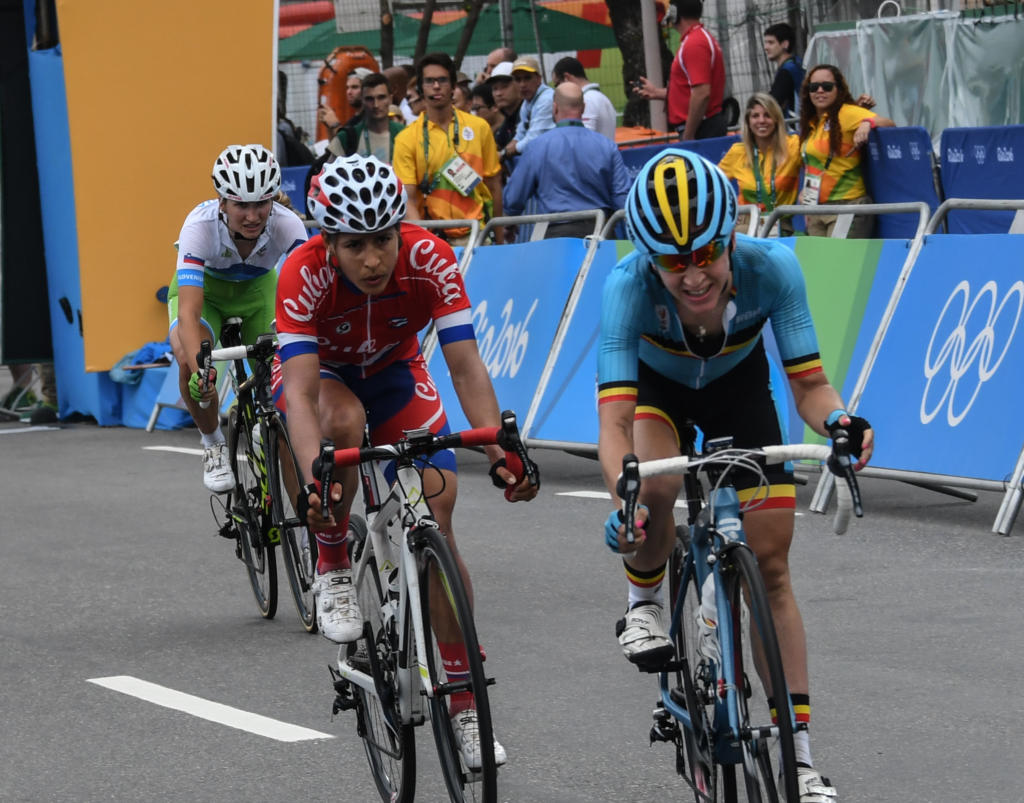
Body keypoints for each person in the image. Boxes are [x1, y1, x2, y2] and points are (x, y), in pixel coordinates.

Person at [597, 150, 874, 803]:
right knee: (657, 486)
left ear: (730, 237)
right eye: (673, 260)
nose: (693, 275)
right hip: (658, 393)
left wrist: (840, 421)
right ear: (648, 258)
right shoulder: (626, 287)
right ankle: (643, 604)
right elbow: (614, 426)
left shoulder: (771, 266)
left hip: (739, 389)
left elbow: (808, 384)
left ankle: (799, 758)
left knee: (772, 567)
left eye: (706, 255)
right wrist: (625, 494)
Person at [273, 153, 538, 767]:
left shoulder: (430, 257)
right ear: (329, 242)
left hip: (395, 372)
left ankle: (466, 706)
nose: (373, 259)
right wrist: (316, 480)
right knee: (343, 424)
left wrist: (501, 447)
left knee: (437, 513)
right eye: (356, 245)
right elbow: (304, 395)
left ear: (400, 230)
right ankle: (334, 562)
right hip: (328, 381)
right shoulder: (302, 273)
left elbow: (466, 367)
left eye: (383, 241)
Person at [168, 145, 307, 492]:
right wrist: (202, 366)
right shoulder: (198, 226)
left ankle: (264, 422)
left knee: (289, 371)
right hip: (208, 297)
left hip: (258, 295)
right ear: (222, 203)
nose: (252, 215)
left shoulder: (288, 224)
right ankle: (212, 442)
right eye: (241, 205)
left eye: (261, 203)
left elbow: (307, 294)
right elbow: (189, 311)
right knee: (190, 360)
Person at [393, 52, 505, 245]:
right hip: (435, 240)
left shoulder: (479, 128)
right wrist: (424, 244)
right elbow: (408, 198)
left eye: (442, 80)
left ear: (454, 86)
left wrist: (500, 240)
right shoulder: (406, 138)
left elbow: (494, 186)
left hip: (479, 235)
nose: (436, 86)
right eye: (429, 81)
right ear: (420, 88)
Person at [503, 83, 630, 238]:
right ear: (583, 108)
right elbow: (622, 199)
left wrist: (509, 221)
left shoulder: (537, 147)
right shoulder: (607, 146)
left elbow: (514, 198)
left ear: (554, 108)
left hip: (557, 237)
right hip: (601, 233)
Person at [798, 64, 895, 238]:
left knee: (838, 264)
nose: (820, 91)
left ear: (839, 89)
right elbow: (814, 165)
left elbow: (889, 123)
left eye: (827, 86)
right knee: (819, 265)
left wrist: (868, 123)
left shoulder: (847, 113)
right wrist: (806, 199)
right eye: (814, 87)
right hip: (816, 209)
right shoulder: (812, 123)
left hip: (848, 206)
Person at [635, 0, 726, 141]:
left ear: (675, 12)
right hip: (703, 127)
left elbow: (702, 93)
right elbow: (692, 91)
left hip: (701, 129)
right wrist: (657, 92)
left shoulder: (694, 43)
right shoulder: (698, 39)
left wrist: (689, 134)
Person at [718, 92, 801, 233]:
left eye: (767, 115)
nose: (761, 121)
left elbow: (817, 159)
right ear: (748, 122)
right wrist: (726, 211)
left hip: (781, 225)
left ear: (776, 119)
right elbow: (712, 184)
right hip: (746, 225)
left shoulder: (793, 146)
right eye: (755, 116)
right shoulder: (738, 152)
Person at [328, 72, 405, 163]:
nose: (376, 105)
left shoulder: (405, 133)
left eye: (381, 97)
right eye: (369, 99)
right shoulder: (346, 138)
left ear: (390, 99)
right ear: (362, 100)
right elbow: (327, 173)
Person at [551, 56, 617, 141]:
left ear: (566, 78)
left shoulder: (587, 99)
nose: (557, 90)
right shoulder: (600, 97)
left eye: (557, 84)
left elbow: (583, 140)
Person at [505, 57, 555, 159]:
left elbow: (535, 139)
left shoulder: (547, 99)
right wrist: (504, 152)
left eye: (527, 78)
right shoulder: (527, 102)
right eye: (518, 80)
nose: (522, 84)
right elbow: (520, 133)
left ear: (538, 79)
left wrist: (504, 153)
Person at [764, 22, 804, 119]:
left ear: (785, 44)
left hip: (794, 128)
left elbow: (773, 103)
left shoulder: (787, 70)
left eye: (771, 42)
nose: (766, 47)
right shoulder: (796, 63)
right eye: (765, 42)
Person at [487, 61, 522, 156]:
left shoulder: (528, 114)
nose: (498, 93)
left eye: (504, 87)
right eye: (495, 89)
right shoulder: (508, 118)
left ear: (519, 86)